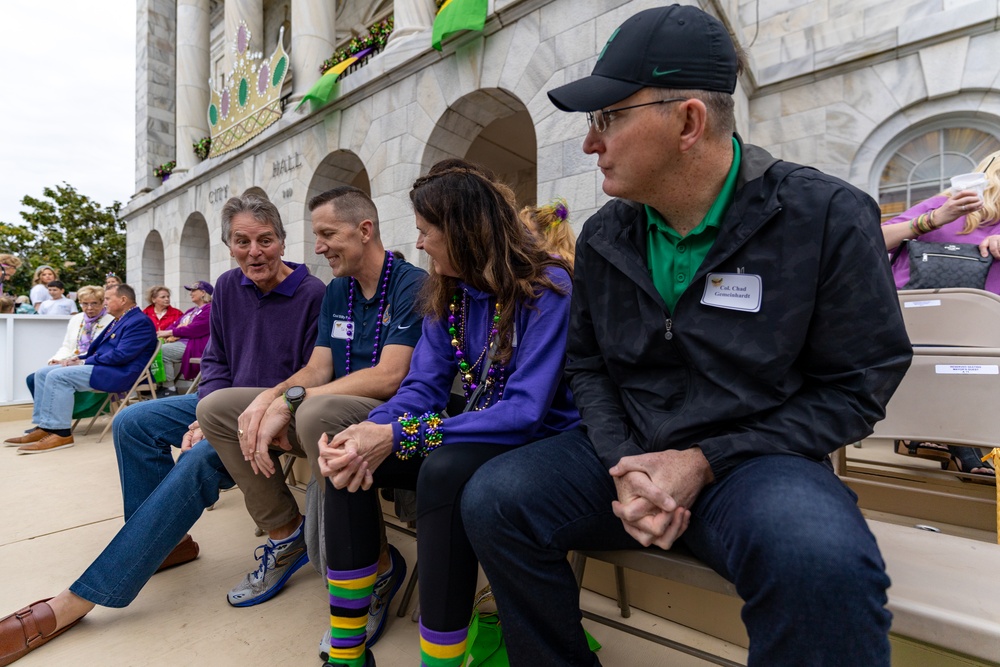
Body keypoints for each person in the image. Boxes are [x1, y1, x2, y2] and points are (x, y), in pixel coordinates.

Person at [460, 7, 914, 667]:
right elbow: (587, 366)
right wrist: (627, 464)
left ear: (688, 121)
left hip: (757, 464)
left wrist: (702, 460)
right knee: (495, 496)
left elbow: (857, 386)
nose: (591, 143)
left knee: (822, 562)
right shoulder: (609, 233)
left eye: (607, 118)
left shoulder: (825, 217)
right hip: (630, 453)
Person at [0, 193, 326, 666]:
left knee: (196, 460)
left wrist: (219, 420)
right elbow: (216, 361)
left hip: (270, 412)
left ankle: (81, 598)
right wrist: (204, 412)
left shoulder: (312, 293)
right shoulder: (228, 287)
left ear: (281, 240)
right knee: (132, 421)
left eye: (265, 240)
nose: (254, 251)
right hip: (218, 403)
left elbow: (310, 373)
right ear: (227, 244)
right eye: (241, 241)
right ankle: (167, 544)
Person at [316, 161, 578, 667]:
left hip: (541, 442)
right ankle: (348, 655)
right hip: (476, 427)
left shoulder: (547, 286)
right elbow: (421, 388)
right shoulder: (447, 294)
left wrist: (403, 434)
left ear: (463, 231)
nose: (418, 245)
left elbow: (524, 413)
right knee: (347, 464)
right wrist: (372, 429)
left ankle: (440, 661)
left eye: (424, 232)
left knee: (443, 471)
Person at [198, 186, 426, 654]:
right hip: (324, 414)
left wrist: (296, 400)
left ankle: (374, 571)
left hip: (382, 423)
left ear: (364, 231)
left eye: (326, 234)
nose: (317, 246)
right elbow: (318, 367)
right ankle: (287, 533)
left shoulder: (410, 284)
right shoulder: (338, 289)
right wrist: (271, 398)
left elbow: (388, 377)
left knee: (315, 412)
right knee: (216, 409)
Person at [881, 152, 999, 480]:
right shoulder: (949, 203)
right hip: (932, 325)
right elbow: (869, 240)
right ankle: (955, 442)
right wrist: (931, 220)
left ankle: (933, 437)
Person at [4, 283, 157, 454]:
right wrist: (78, 358)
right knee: (42, 373)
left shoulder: (139, 322)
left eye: (107, 299)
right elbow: (103, 351)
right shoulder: (121, 318)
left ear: (123, 300)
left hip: (121, 373)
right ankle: (45, 426)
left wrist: (86, 362)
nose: (104, 303)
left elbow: (122, 356)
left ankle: (61, 433)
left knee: (58, 377)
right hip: (107, 368)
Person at [156, 281, 213, 397]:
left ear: (203, 293)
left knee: (163, 351)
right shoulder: (191, 310)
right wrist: (167, 332)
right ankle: (159, 386)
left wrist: (171, 332)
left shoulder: (210, 309)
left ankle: (169, 389)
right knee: (155, 348)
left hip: (195, 345)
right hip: (182, 343)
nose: (190, 293)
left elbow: (195, 329)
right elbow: (175, 324)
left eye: (193, 290)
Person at [520, 196, 576, 267]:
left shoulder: (551, 268)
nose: (521, 236)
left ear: (546, 235)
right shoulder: (568, 263)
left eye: (526, 231)